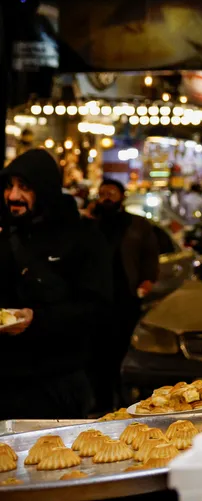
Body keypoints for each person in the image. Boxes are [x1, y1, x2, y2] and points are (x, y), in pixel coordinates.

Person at [0, 149, 113, 418]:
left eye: (24, 187)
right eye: (9, 186)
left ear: (45, 189)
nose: (14, 196)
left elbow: (98, 309)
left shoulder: (83, 237)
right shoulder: (6, 234)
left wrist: (36, 319)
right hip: (5, 379)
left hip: (58, 383)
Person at [86, 179, 160, 411]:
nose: (106, 197)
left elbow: (150, 255)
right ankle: (103, 401)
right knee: (98, 354)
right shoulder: (90, 224)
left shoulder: (137, 225)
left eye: (111, 193)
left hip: (125, 298)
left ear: (122, 196)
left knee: (123, 350)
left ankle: (125, 400)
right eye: (102, 193)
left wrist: (147, 280)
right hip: (97, 301)